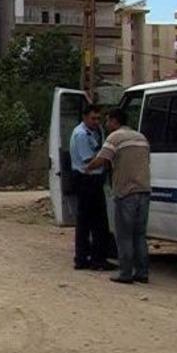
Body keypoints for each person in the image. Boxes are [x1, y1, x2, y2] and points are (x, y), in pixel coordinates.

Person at [85, 108, 151, 285]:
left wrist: (88, 168)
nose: (105, 124)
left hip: (125, 192)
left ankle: (125, 273)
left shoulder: (114, 138)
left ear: (115, 121)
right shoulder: (141, 138)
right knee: (140, 235)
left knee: (124, 235)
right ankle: (142, 272)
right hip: (144, 190)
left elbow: (102, 159)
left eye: (107, 121)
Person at [69, 104, 113, 271]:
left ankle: (88, 257)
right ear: (85, 117)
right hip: (86, 179)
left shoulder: (94, 132)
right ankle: (93, 259)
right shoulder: (81, 134)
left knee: (91, 221)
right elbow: (89, 160)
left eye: (98, 118)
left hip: (92, 179)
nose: (96, 122)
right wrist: (107, 157)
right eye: (93, 118)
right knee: (95, 221)